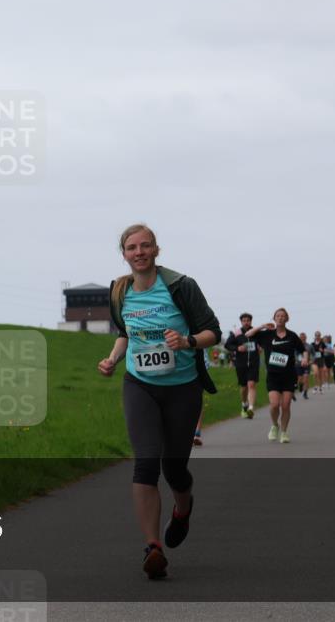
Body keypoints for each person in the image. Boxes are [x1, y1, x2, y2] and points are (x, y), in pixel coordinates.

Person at [98, 224, 220, 580]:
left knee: (175, 469)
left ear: (156, 250)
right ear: (124, 254)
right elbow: (125, 333)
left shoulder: (181, 286)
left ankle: (183, 509)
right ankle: (153, 547)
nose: (139, 252)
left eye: (145, 246)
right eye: (132, 247)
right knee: (146, 463)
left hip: (183, 387)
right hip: (140, 385)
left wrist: (188, 342)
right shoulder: (120, 291)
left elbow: (213, 331)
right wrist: (112, 359)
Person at [245, 308, 307, 444]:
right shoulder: (267, 335)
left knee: (286, 405)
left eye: (283, 316)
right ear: (274, 318)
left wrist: (304, 358)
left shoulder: (292, 336)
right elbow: (248, 334)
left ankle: (284, 432)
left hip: (289, 375)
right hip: (273, 375)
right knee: (274, 404)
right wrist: (262, 326)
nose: (280, 318)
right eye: (278, 316)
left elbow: (303, 350)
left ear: (287, 319)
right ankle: (275, 425)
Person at [225, 313, 260, 418]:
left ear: (251, 321)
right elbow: (228, 345)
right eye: (244, 320)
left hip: (253, 363)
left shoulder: (256, 332)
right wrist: (237, 348)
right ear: (241, 322)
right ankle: (244, 404)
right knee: (244, 387)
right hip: (241, 363)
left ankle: (251, 408)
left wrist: (261, 347)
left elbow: (264, 342)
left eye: (248, 320)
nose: (246, 322)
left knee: (252, 385)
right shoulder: (237, 333)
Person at [297, 332, 313, 399]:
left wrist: (312, 361)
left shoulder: (309, 346)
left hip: (307, 365)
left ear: (306, 338)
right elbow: (293, 354)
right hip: (298, 364)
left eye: (303, 337)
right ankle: (300, 385)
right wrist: (295, 360)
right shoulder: (296, 345)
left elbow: (314, 354)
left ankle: (305, 393)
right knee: (300, 379)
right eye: (301, 337)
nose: (302, 339)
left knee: (306, 378)